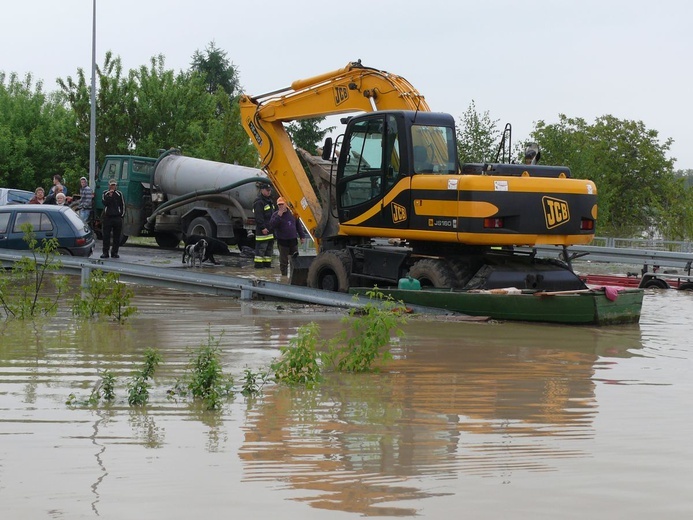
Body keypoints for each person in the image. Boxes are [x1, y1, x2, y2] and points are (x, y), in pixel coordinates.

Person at [269, 197, 306, 277]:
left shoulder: (292, 213)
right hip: (282, 241)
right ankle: (284, 276)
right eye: (279, 205)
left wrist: (302, 236)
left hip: (293, 240)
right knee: (283, 261)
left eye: (282, 204)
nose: (281, 206)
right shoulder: (276, 215)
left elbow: (298, 225)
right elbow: (272, 225)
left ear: (286, 204)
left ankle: (295, 276)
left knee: (295, 259)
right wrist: (279, 216)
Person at [252, 182, 276, 269]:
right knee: (261, 249)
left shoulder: (269, 201)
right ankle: (258, 266)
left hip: (270, 230)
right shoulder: (259, 202)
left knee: (268, 249)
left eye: (269, 190)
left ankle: (267, 265)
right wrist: (263, 227)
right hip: (263, 230)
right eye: (267, 190)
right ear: (262, 190)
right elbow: (259, 217)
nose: (269, 192)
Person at [101, 179, 125, 259]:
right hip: (108, 217)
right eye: (111, 185)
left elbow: (123, 205)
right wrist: (110, 196)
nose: (113, 187)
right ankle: (105, 252)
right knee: (106, 236)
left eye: (114, 185)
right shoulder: (105, 193)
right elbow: (104, 202)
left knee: (117, 236)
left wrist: (121, 215)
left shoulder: (119, 194)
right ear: (109, 185)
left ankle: (114, 252)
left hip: (117, 217)